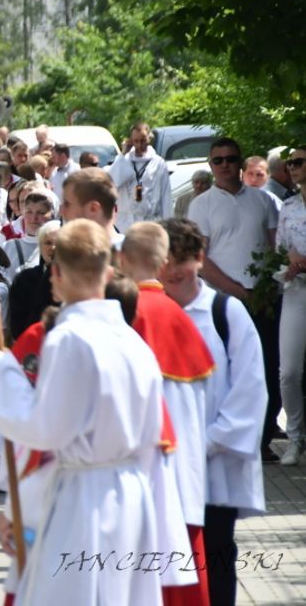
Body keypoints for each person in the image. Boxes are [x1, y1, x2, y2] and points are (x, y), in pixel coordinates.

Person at [0, 219, 165, 605]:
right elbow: (153, 438)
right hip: (132, 495)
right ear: (109, 271)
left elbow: (46, 430)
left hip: (82, 501)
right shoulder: (135, 343)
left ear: (56, 273)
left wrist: (4, 372)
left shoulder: (67, 339)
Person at [160, 218, 267, 606]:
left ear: (200, 259)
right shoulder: (150, 314)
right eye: (164, 261)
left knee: (216, 553)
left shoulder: (226, 312)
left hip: (213, 464)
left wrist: (207, 442)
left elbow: (250, 388)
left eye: (181, 260)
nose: (172, 270)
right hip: (164, 462)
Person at [120, 221, 215, 604]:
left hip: (143, 468)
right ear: (162, 263)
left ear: (122, 259)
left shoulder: (124, 315)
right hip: (187, 467)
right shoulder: (180, 316)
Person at [188, 137, 281, 463]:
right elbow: (200, 257)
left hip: (265, 297)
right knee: (227, 370)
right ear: (211, 165)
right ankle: (226, 438)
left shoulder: (264, 200)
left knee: (269, 369)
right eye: (218, 160)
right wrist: (237, 290)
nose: (225, 164)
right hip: (223, 299)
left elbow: (274, 249)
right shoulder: (202, 205)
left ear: (240, 162)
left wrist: (268, 286)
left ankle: (263, 438)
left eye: (231, 158)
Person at [275, 145, 306, 465]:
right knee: (289, 371)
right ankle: (296, 438)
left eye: (299, 162)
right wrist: (290, 261)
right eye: (290, 163)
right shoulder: (289, 207)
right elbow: (279, 248)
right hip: (296, 290)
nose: (292, 167)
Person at [6, 221, 60, 341]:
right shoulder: (23, 280)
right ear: (40, 246)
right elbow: (17, 326)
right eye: (48, 243)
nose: (53, 248)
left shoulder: (74, 280)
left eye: (58, 243)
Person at [60, 168, 123, 249]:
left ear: (93, 209)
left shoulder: (133, 258)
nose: (62, 211)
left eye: (67, 204)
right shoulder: (70, 254)